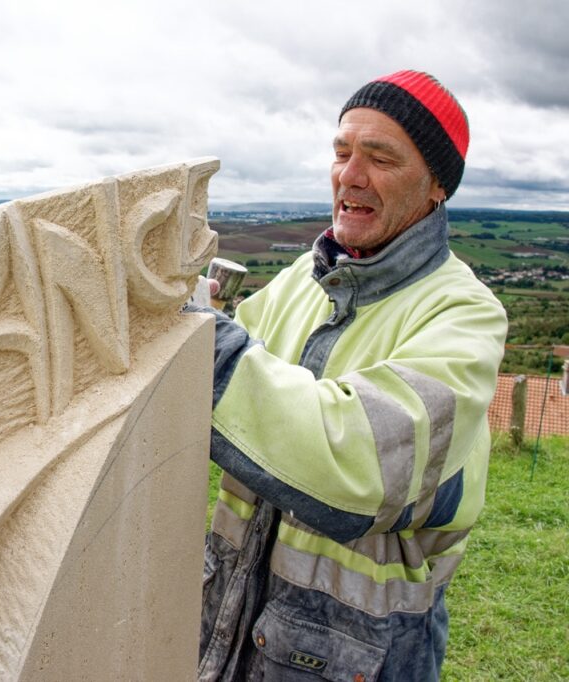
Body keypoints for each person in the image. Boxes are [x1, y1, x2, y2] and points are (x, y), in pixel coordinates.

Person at [194, 70, 508, 681]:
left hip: (358, 653)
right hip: (231, 617)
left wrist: (204, 339)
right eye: (342, 153)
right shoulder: (301, 281)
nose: (350, 175)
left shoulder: (464, 316)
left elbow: (358, 466)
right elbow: (219, 396)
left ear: (437, 184)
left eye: (380, 158)